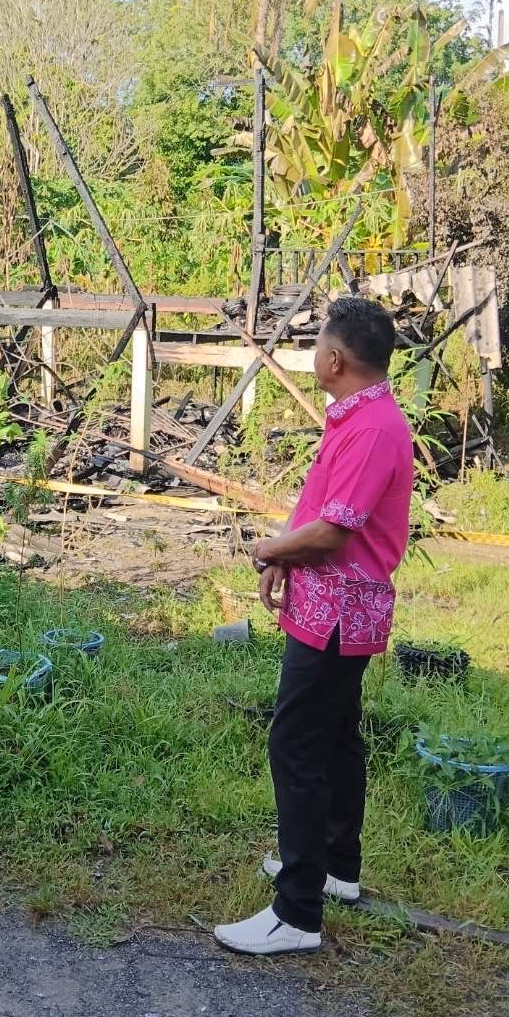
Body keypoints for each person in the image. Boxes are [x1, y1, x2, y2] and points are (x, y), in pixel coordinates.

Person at [214, 297, 414, 956]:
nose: (313, 354)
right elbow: (320, 510)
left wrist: (271, 550)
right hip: (329, 602)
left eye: (318, 344)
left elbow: (332, 532)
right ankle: (336, 868)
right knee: (333, 737)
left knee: (295, 743)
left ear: (335, 358)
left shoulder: (373, 427)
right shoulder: (357, 415)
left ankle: (295, 912)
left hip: (337, 610)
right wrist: (283, 559)